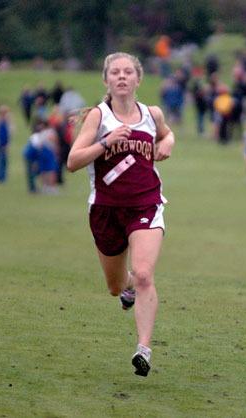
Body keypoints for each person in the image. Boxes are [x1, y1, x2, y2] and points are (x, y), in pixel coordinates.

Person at [67, 52, 175, 377]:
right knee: (116, 286)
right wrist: (105, 142)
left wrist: (168, 141)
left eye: (129, 72)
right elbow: (73, 161)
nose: (122, 76)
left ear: (138, 79)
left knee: (144, 274)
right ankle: (125, 287)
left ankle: (143, 349)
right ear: (107, 80)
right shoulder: (99, 118)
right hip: (105, 211)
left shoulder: (150, 114)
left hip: (146, 205)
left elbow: (166, 134)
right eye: (116, 72)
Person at [0, 105, 13, 182]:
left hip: (5, 143)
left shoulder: (8, 121)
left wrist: (7, 144)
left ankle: (3, 176)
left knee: (4, 160)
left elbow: (11, 132)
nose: (4, 114)